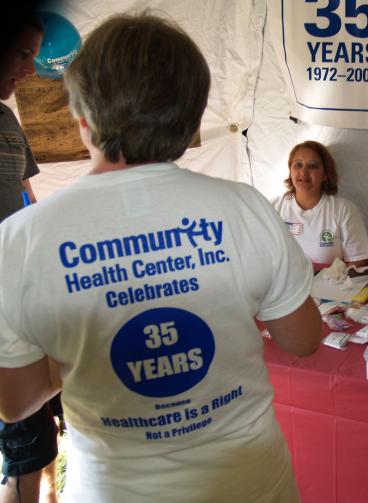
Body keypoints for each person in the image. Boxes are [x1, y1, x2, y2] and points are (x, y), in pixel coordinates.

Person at [0, 12, 322, 502]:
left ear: (83, 118)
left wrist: (85, 352)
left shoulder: (21, 239)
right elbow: (302, 340)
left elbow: (14, 401)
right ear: (192, 117)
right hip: (253, 485)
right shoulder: (247, 208)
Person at [0, 13, 61, 503]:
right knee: (21, 440)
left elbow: (26, 198)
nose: (31, 69)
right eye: (22, 53)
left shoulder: (7, 120)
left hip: (21, 296)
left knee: (36, 443)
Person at [272, 140, 368, 268]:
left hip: (329, 286)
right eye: (298, 165)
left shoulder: (344, 210)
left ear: (325, 175)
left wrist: (326, 278)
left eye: (313, 166)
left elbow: (359, 261)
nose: (304, 172)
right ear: (290, 171)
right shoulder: (272, 208)